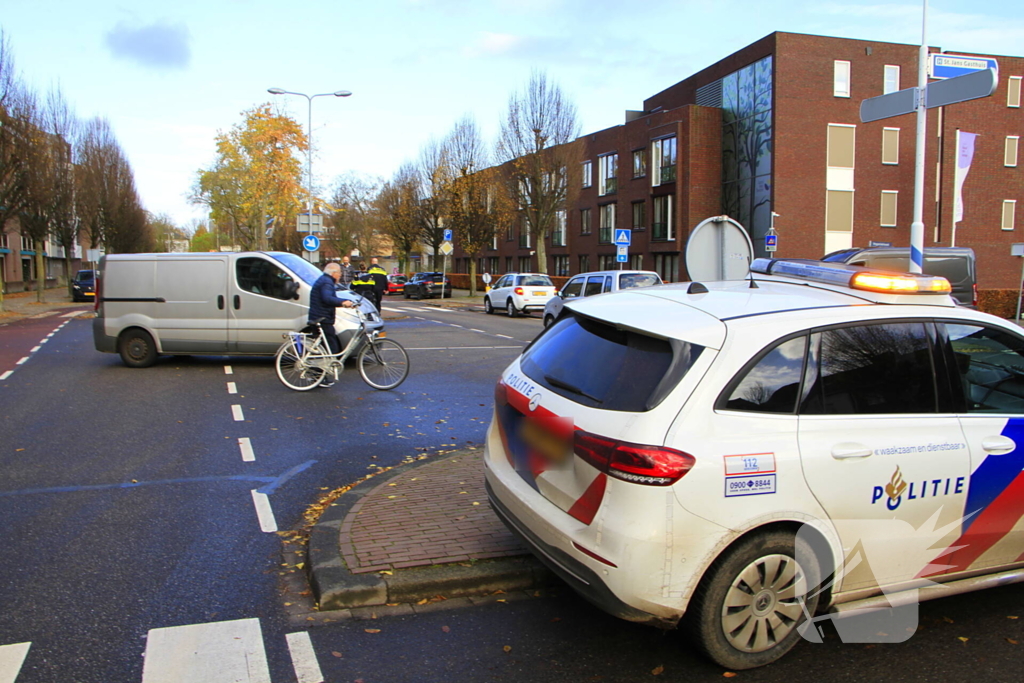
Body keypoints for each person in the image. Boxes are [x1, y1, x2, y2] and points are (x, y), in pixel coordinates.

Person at [308, 262, 355, 387]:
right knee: (331, 349)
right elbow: (327, 298)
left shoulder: (325, 280)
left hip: (321, 317)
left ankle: (318, 375)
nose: (340, 275)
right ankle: (316, 375)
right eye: (339, 273)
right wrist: (343, 302)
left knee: (324, 348)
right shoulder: (326, 282)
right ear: (333, 273)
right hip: (322, 319)